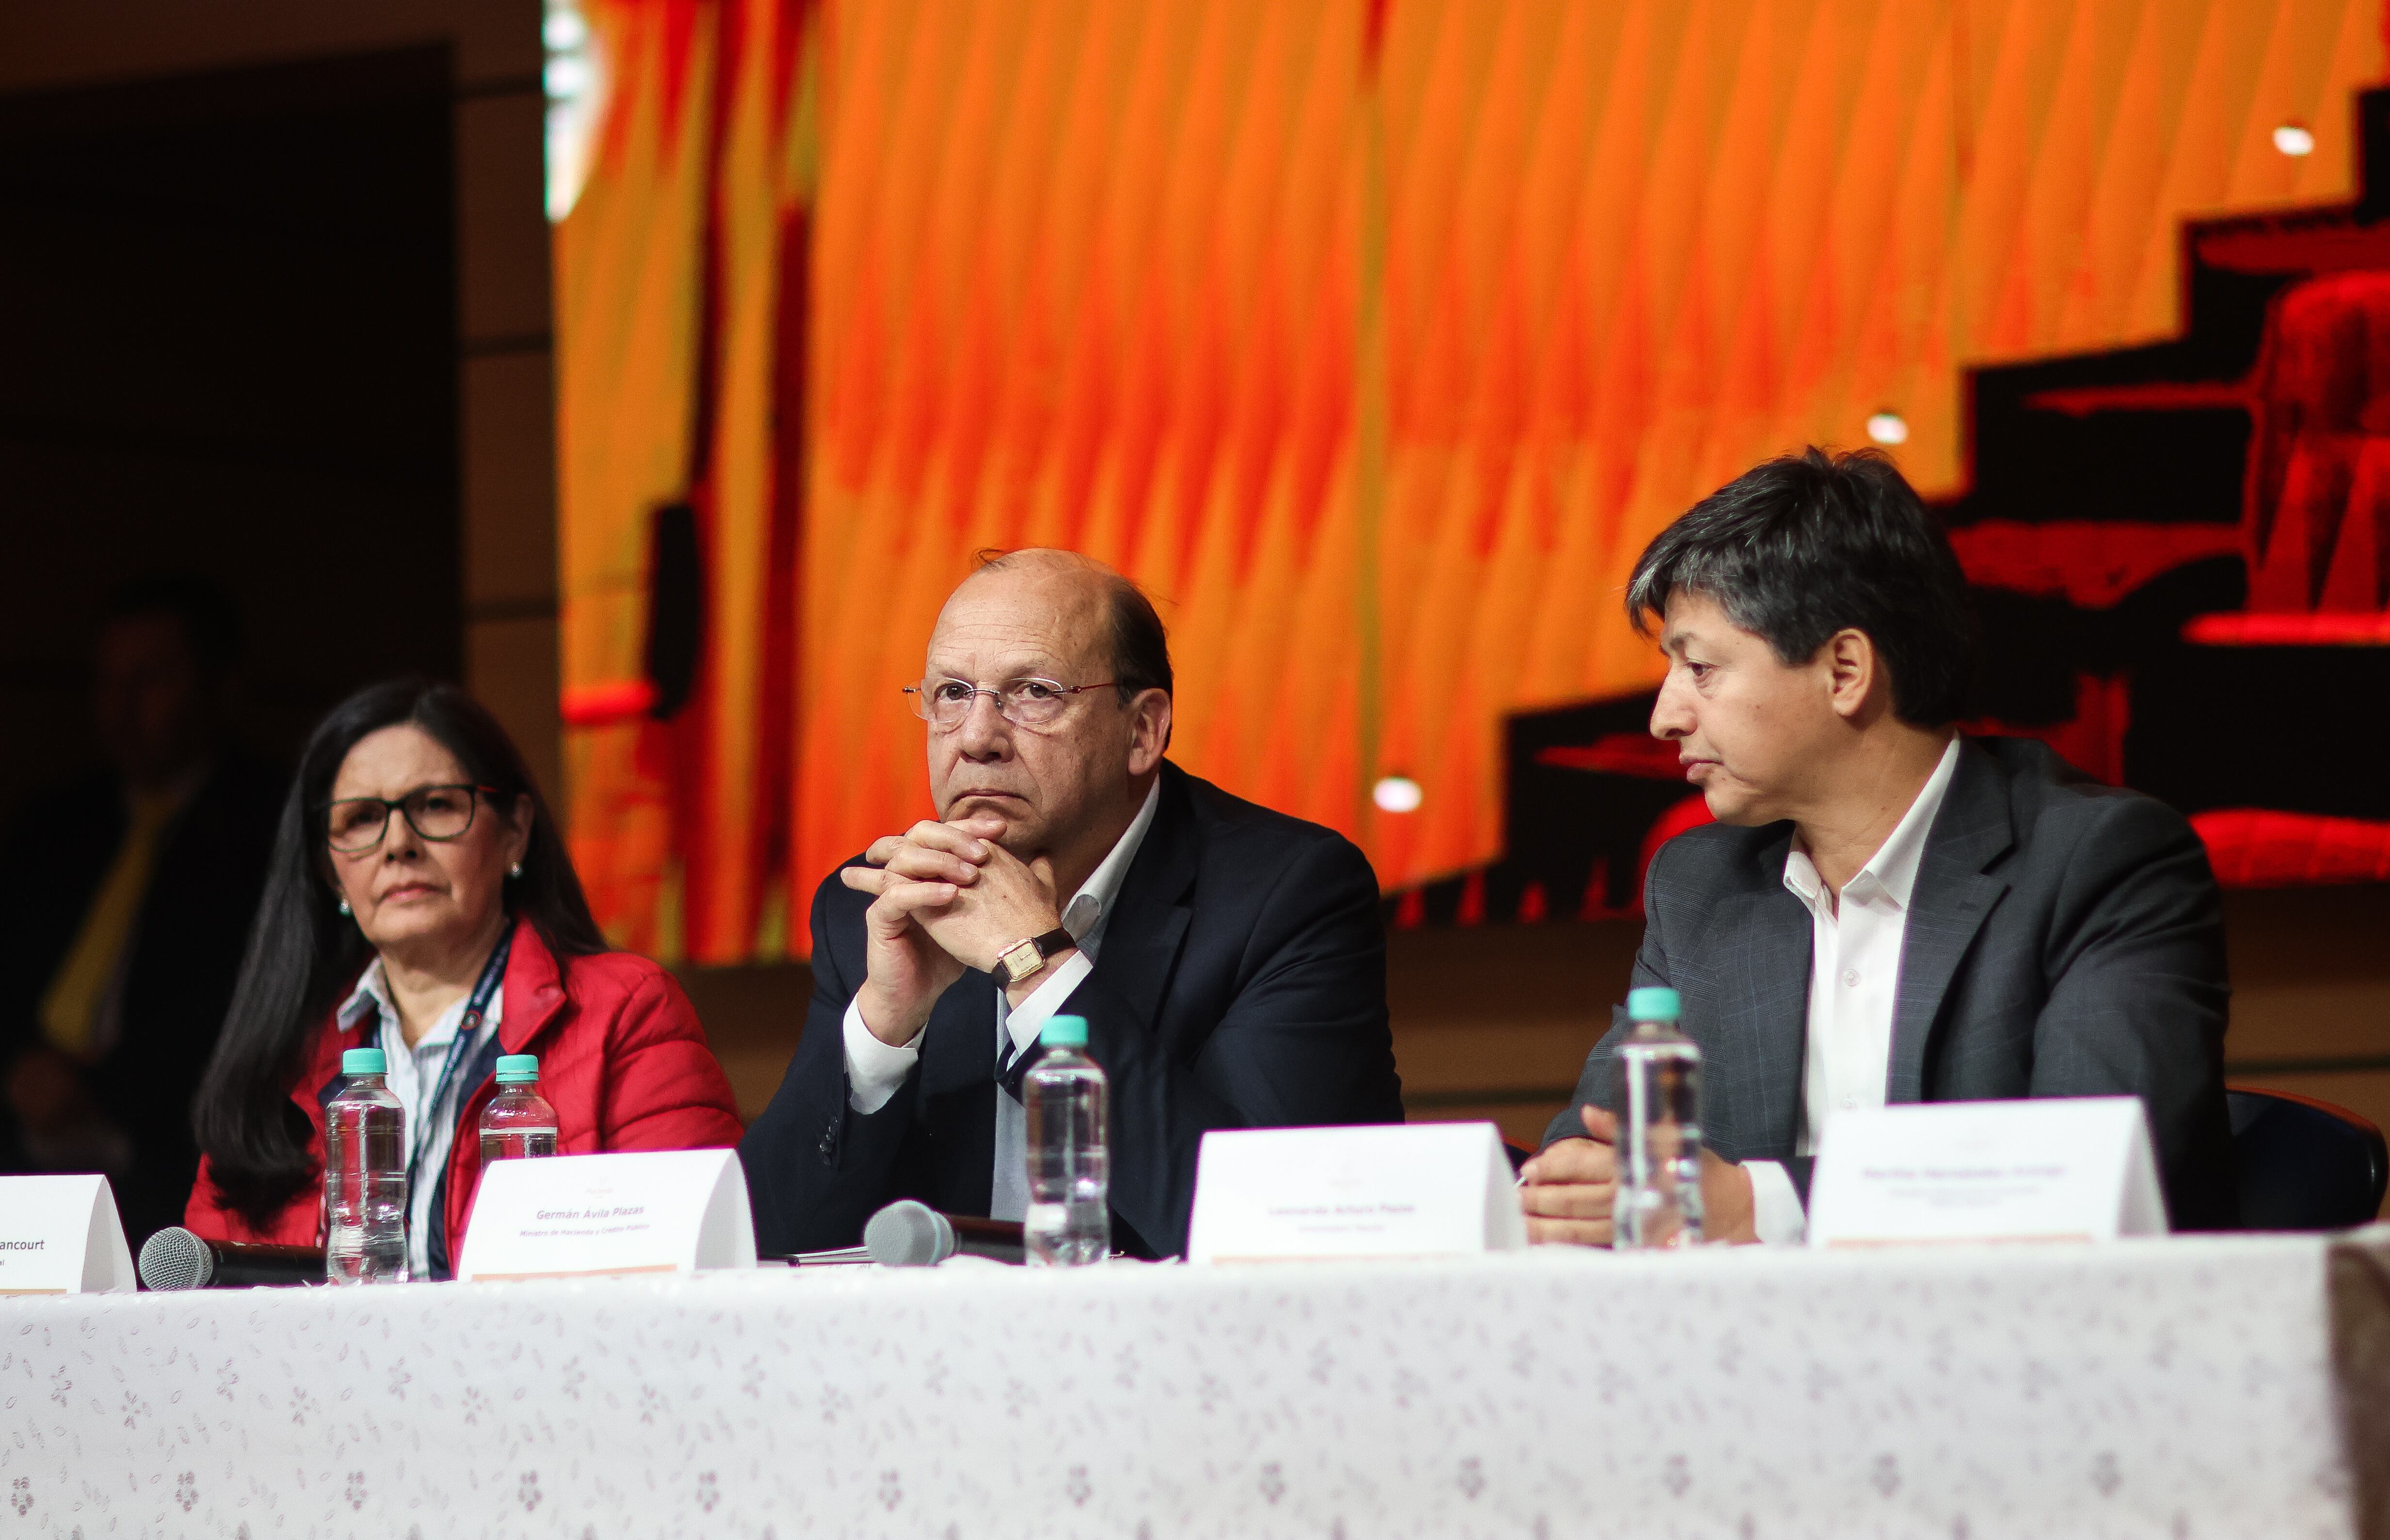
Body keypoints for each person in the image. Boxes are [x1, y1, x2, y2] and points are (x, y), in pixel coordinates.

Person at [1521, 448, 2237, 1244]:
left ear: (1844, 670)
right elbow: (1593, 1158)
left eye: (1698, 668)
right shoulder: (1700, 884)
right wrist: (1571, 1192)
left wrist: (1756, 1205)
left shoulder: (2098, 861)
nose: (1664, 718)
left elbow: (2089, 1181)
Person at [740, 548, 1402, 1258]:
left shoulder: (1285, 892)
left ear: (1142, 730)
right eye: (952, 694)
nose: (976, 738)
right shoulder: (877, 908)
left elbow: (1280, 1227)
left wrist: (1039, 968)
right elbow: (762, 1247)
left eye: (1034, 691)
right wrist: (882, 1030)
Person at [185, 679, 742, 1277]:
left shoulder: (626, 1012)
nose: (399, 843)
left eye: (436, 806)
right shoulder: (279, 1060)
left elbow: (691, 1270)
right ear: (328, 869)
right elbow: (205, 1325)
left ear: (515, 833)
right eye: (362, 818)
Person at [0, 577, 283, 1247]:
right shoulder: (55, 824)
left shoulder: (269, 823)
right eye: (107, 683)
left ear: (223, 685)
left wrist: (99, 1090)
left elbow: (243, 996)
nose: (121, 709)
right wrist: (18, 1065)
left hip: (177, 1154)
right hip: (23, 1136)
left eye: (150, 680)